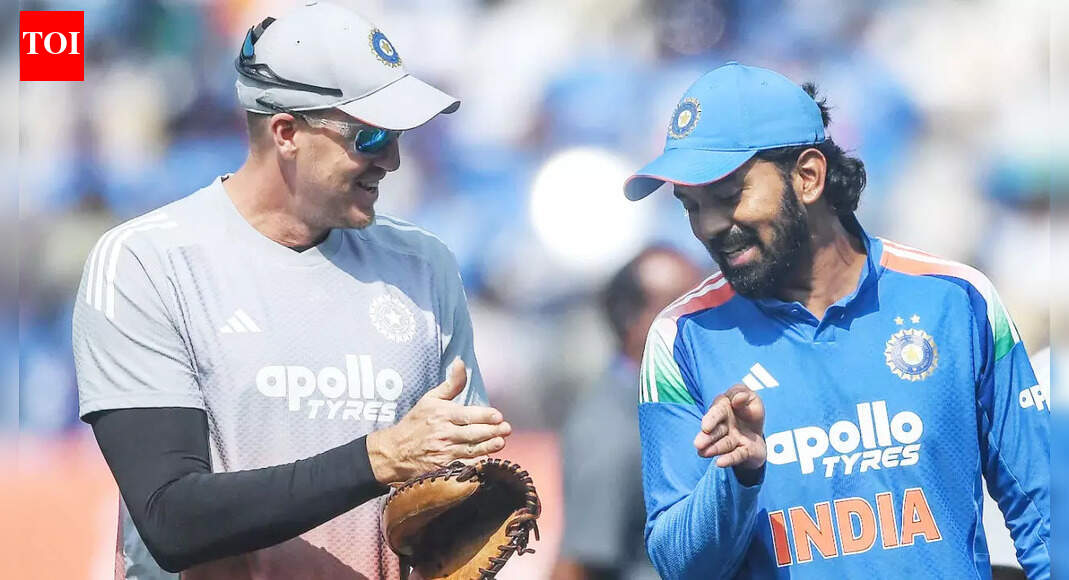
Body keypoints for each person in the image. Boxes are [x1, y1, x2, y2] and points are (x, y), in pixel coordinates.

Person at [72, 3, 512, 578]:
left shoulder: (424, 265)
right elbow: (171, 519)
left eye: (399, 135)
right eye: (371, 135)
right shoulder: (147, 262)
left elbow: (455, 485)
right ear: (286, 133)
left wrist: (462, 503)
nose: (393, 159)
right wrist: (378, 459)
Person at [624, 62, 1050, 579]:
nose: (709, 226)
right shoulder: (680, 339)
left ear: (808, 176)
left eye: (729, 195)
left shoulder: (957, 300)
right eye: (690, 206)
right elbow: (678, 566)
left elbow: (1047, 518)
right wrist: (735, 477)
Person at [552, 247, 702, 580]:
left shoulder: (671, 401)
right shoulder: (611, 427)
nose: (706, 316)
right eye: (683, 305)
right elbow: (578, 565)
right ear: (631, 319)